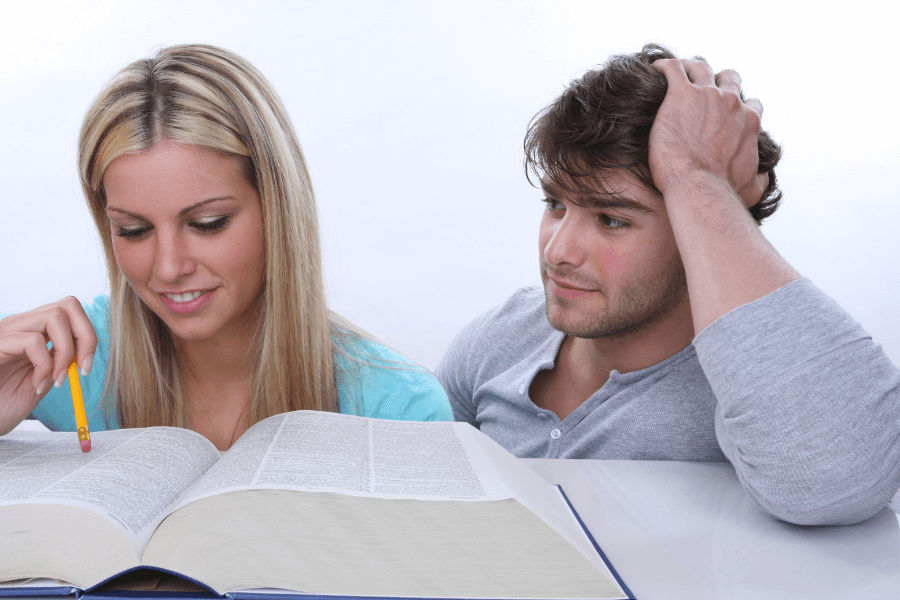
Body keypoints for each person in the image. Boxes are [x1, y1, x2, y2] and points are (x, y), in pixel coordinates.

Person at [435, 44, 900, 526]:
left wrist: (696, 178)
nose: (557, 252)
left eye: (611, 220)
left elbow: (837, 484)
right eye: (555, 204)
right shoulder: (497, 340)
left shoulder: (749, 393)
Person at [0, 44, 451, 449]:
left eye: (207, 224)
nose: (169, 267)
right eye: (133, 230)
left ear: (277, 211)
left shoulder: (398, 407)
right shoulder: (60, 363)